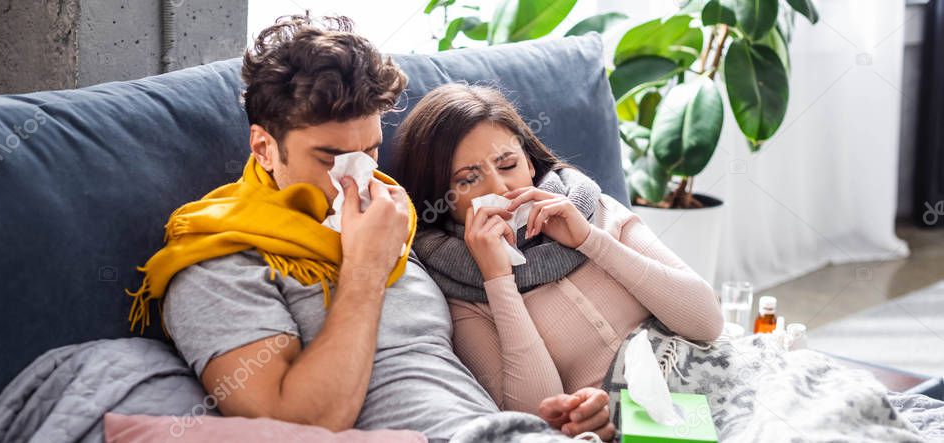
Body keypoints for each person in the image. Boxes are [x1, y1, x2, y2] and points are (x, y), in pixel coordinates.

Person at [125, 14, 616, 441]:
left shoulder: (396, 214)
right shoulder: (219, 258)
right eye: (331, 158)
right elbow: (294, 427)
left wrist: (551, 418)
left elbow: (453, 371)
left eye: (372, 151)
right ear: (263, 148)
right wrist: (363, 268)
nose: (358, 179)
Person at [393, 83, 725, 420]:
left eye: (508, 165)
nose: (500, 188)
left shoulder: (592, 207)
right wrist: (497, 280)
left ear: (530, 164)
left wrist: (590, 240)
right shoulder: (457, 290)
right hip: (630, 424)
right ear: (441, 195)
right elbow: (535, 417)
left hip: (710, 376)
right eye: (468, 179)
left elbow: (707, 323)